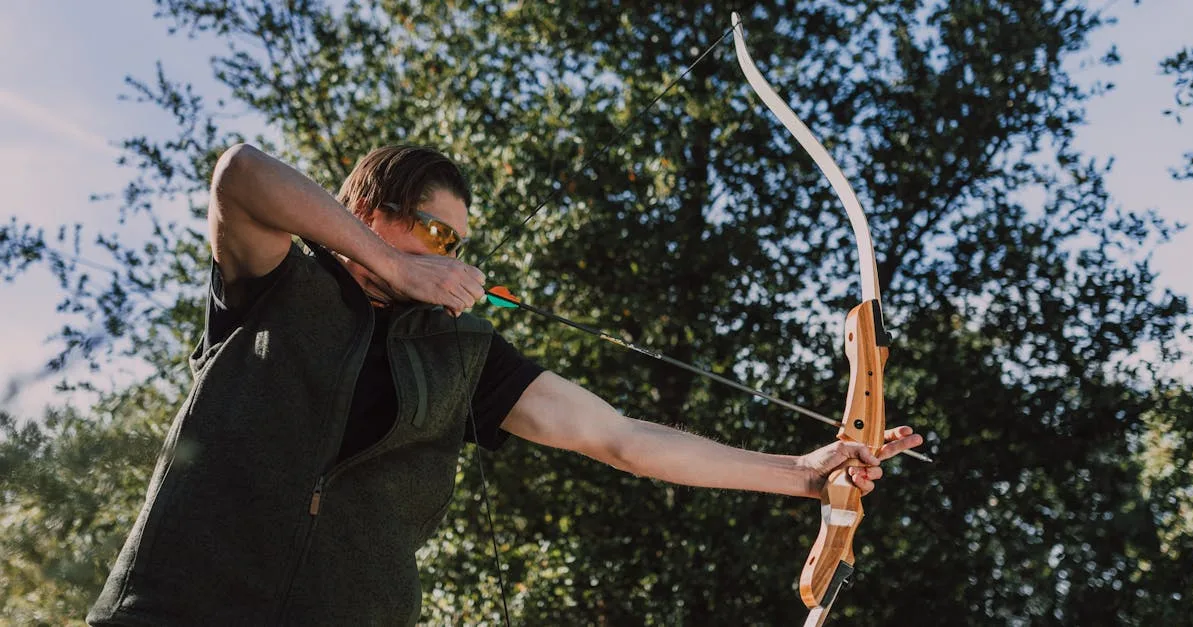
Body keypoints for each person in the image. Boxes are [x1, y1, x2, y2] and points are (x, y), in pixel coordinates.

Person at [87, 144, 924, 626]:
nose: (449, 254)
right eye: (432, 230)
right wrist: (391, 269)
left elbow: (621, 438)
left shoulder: (463, 355)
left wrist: (804, 472)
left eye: (457, 240)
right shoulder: (278, 285)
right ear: (368, 211)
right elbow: (239, 175)